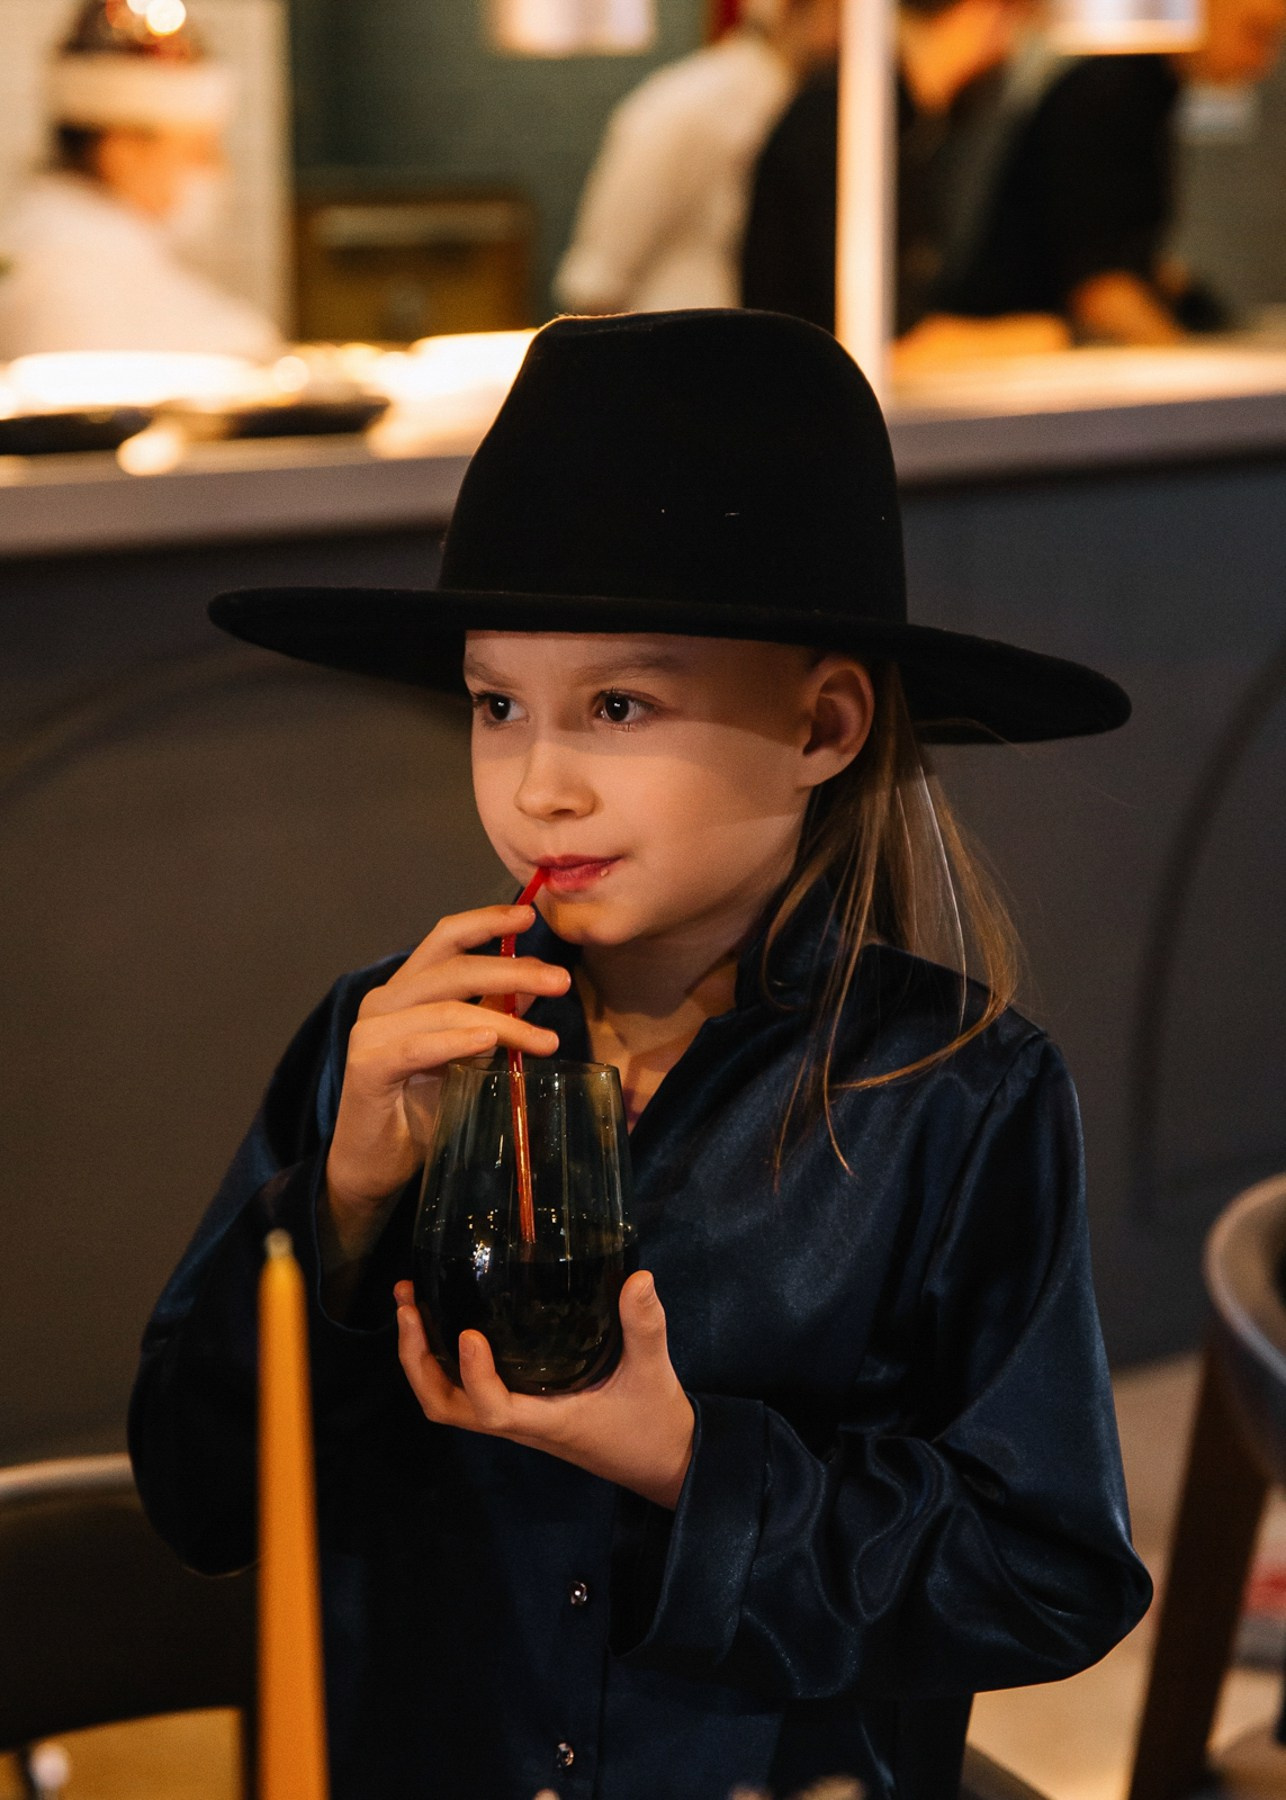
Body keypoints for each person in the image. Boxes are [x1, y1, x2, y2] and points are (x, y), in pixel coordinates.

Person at [128, 308, 1152, 1800]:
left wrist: (689, 1463)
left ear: (823, 725)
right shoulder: (389, 1046)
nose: (538, 786)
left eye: (618, 705)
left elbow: (1040, 1575)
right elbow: (198, 1496)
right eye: (496, 705)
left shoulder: (954, 1096)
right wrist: (338, 1208)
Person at [740, 0, 1071, 370]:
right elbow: (886, 342)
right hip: (809, 388)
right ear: (983, 12)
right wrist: (1049, 335)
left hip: (834, 383)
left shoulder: (913, 121)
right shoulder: (848, 119)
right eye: (1017, 19)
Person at [938, 0, 1286, 344]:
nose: (1262, 62)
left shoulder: (1150, 90)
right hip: (1004, 346)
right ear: (1201, 8)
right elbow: (1099, 287)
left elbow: (1119, 248)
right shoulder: (1111, 93)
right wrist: (1188, 363)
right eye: (1256, 34)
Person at [0, 0, 280, 361]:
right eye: (199, 150)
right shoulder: (65, 272)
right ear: (122, 152)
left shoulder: (84, 247)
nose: (216, 170)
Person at [554, 0, 839, 314]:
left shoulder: (814, 103)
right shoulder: (693, 103)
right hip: (676, 332)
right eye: (838, 9)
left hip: (762, 331)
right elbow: (598, 275)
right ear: (790, 10)